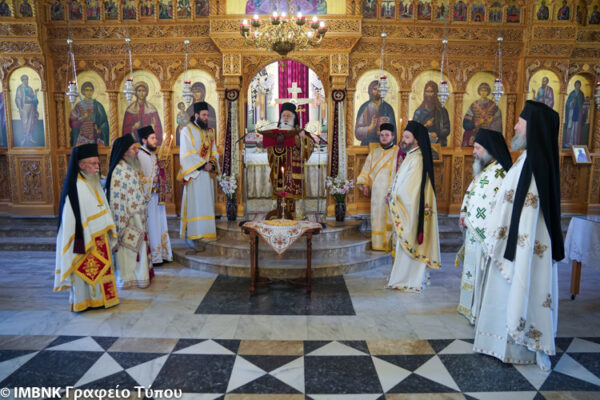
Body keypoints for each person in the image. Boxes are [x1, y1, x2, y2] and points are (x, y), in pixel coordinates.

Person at [474, 100, 563, 371]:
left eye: (520, 123)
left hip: (527, 247)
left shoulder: (536, 164)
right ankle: (500, 345)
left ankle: (524, 348)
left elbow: (529, 213)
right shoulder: (525, 159)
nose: (514, 127)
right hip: (511, 242)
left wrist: (509, 241)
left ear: (532, 127)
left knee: (526, 289)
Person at [54, 144, 120, 312]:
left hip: (100, 238)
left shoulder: (94, 183)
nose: (97, 167)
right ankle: (86, 301)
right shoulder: (75, 188)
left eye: (98, 163)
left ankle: (104, 299)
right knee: (88, 273)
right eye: (93, 164)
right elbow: (69, 221)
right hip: (85, 240)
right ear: (81, 165)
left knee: (103, 271)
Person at [457, 128, 513, 324]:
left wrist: (472, 221)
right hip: (475, 230)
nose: (474, 152)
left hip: (485, 234)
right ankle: (470, 308)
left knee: (481, 273)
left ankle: (478, 311)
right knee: (473, 271)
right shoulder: (487, 170)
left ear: (490, 149)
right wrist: (464, 214)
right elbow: (472, 195)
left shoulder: (499, 173)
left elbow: (491, 205)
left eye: (478, 148)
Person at [388, 121, 441, 291]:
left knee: (410, 243)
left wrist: (393, 197)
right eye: (403, 136)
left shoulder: (417, 159)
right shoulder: (412, 156)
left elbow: (410, 191)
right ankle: (406, 277)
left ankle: (409, 279)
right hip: (408, 211)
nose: (402, 140)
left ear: (416, 140)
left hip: (412, 212)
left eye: (406, 137)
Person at [106, 134, 153, 289]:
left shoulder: (129, 167)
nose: (137, 151)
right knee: (129, 252)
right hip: (127, 220)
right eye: (134, 148)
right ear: (125, 152)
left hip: (138, 218)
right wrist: (122, 223)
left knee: (138, 251)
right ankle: (128, 279)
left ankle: (140, 277)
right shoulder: (119, 171)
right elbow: (116, 201)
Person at [264, 102, 314, 219]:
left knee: (293, 194)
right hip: (279, 169)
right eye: (284, 115)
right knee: (280, 192)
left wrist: (303, 138)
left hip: (294, 168)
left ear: (294, 117)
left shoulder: (300, 131)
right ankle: (278, 215)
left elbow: (309, 147)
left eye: (288, 116)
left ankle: (297, 216)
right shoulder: (275, 132)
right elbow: (270, 150)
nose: (286, 118)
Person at [179, 101, 218, 244]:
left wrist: (212, 163)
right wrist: (203, 165)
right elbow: (186, 154)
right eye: (203, 115)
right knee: (195, 204)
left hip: (207, 176)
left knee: (206, 203)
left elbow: (214, 151)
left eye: (207, 115)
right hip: (195, 174)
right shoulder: (186, 131)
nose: (206, 118)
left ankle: (207, 232)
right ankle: (195, 233)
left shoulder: (210, 132)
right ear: (196, 115)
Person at [357, 123, 399, 252]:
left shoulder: (398, 152)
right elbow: (366, 170)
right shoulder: (374, 152)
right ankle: (378, 244)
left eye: (387, 135)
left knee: (391, 217)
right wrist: (365, 185)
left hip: (392, 191)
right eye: (382, 135)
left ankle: (390, 244)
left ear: (392, 136)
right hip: (376, 193)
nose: (384, 137)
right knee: (377, 218)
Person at [137, 125, 172, 265]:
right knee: (152, 226)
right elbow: (137, 179)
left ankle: (162, 254)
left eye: (155, 138)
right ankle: (154, 257)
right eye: (152, 138)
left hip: (157, 197)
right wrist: (153, 180)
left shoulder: (153, 155)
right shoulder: (139, 156)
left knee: (160, 225)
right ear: (144, 140)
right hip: (148, 199)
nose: (155, 141)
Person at [355, 80, 396, 146]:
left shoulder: (388, 108)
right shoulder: (364, 107)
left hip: (384, 145)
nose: (377, 91)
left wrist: (384, 132)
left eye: (379, 89)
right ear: (370, 91)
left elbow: (393, 131)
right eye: (375, 89)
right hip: (367, 145)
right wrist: (370, 128)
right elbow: (357, 132)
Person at [69, 82, 110, 146]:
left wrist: (100, 130)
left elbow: (104, 122)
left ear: (93, 92)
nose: (89, 92)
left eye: (91, 90)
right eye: (87, 90)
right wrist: (83, 117)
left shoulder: (98, 105)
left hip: (96, 138)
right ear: (83, 92)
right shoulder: (79, 105)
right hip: (82, 138)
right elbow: (72, 122)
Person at [462, 82, 503, 147]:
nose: (483, 92)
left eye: (485, 90)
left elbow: (498, 120)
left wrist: (492, 121)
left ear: (488, 92)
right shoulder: (474, 105)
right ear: (479, 91)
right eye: (482, 90)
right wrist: (476, 123)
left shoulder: (493, 106)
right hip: (476, 133)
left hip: (489, 133)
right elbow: (466, 124)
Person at [413, 80, 451, 146]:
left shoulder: (442, 111)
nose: (429, 94)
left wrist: (437, 134)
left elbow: (447, 129)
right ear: (424, 93)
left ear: (435, 93)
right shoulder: (419, 111)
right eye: (427, 91)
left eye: (431, 92)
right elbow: (414, 129)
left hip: (439, 144)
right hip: (422, 144)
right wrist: (425, 125)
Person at [14, 74, 40, 146]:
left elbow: (33, 97)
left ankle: (30, 137)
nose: (26, 81)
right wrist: (20, 108)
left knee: (31, 121)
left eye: (27, 79)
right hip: (24, 107)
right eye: (24, 80)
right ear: (22, 80)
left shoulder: (30, 88)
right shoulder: (19, 88)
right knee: (24, 122)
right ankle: (24, 138)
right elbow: (18, 98)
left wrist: (35, 93)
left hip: (31, 106)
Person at [562, 80, 588, 148]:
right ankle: (569, 142)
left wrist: (583, 108)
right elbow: (567, 104)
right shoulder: (572, 93)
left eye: (578, 85)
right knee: (570, 128)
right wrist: (571, 103)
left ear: (580, 86)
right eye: (576, 85)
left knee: (577, 129)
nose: (577, 86)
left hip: (578, 114)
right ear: (575, 85)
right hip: (571, 112)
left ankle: (576, 143)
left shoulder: (581, 94)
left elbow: (583, 104)